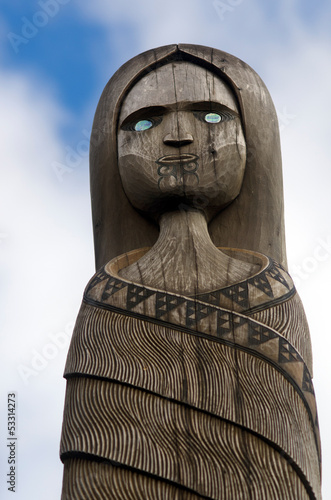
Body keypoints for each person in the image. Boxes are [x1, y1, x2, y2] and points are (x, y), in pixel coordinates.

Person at [60, 45, 321, 499]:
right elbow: (92, 464)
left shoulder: (275, 295)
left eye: (211, 116)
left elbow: (290, 457)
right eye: (145, 121)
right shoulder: (105, 299)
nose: (178, 135)